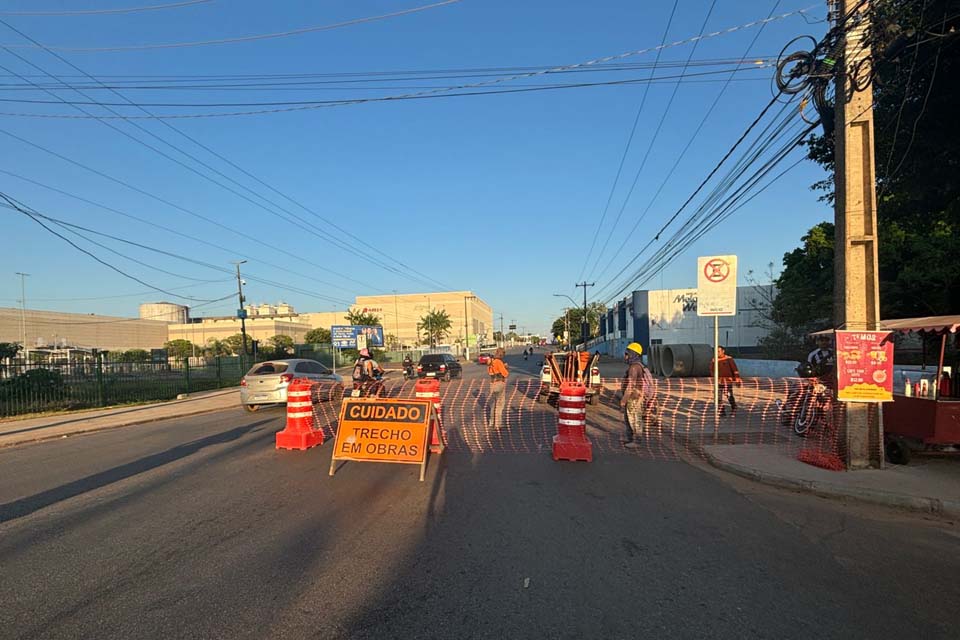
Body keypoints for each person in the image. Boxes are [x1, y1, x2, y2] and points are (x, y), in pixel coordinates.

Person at [620, 343, 652, 449]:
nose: (625, 356)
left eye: (626, 354)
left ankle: (637, 441)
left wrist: (624, 399)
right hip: (634, 396)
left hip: (634, 397)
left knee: (634, 419)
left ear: (633, 354)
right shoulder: (637, 365)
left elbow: (631, 385)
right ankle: (630, 438)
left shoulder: (634, 368)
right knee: (628, 418)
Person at [710, 346, 742, 417]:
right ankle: (722, 411)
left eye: (718, 351)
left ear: (723, 351)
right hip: (718, 382)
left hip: (728, 382)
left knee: (729, 395)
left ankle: (734, 408)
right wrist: (714, 378)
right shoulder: (714, 360)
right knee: (718, 397)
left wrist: (737, 380)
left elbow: (735, 370)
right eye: (716, 352)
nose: (717, 353)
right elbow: (711, 370)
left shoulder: (729, 359)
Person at [487, 347, 510, 428]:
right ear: (502, 354)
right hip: (500, 384)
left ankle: (491, 422)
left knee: (493, 404)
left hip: (492, 384)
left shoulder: (492, 362)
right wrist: (506, 367)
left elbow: (490, 372)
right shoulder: (499, 362)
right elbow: (505, 374)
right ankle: (498, 423)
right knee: (500, 404)